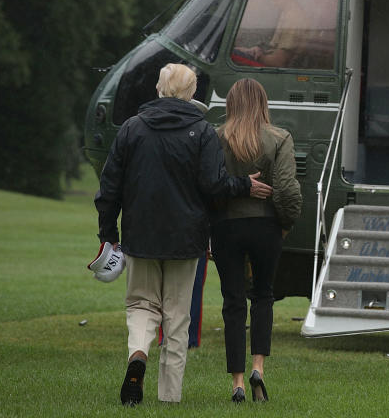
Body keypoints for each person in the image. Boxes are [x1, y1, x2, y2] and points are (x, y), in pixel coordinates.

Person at [95, 63, 273, 406]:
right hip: (186, 238)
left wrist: (108, 233)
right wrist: (245, 185)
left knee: (141, 304)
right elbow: (214, 185)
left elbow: (109, 188)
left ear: (160, 88)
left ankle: (137, 354)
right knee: (177, 316)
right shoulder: (203, 131)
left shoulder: (131, 129)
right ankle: (169, 396)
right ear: (192, 93)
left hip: (140, 236)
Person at [211, 78, 302, 403]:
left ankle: (236, 381)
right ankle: (258, 368)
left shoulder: (216, 137)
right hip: (266, 225)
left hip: (226, 226)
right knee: (263, 296)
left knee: (233, 302)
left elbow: (209, 185)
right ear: (263, 103)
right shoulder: (279, 138)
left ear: (231, 103)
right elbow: (287, 187)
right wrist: (286, 221)